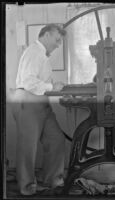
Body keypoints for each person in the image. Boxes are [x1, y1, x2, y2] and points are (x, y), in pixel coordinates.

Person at [12, 24, 66, 196]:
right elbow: (28, 81)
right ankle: (27, 188)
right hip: (28, 100)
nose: (58, 45)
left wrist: (53, 87)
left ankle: (51, 181)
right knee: (28, 148)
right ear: (47, 35)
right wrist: (52, 86)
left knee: (56, 138)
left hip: (41, 102)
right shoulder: (34, 52)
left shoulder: (42, 55)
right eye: (57, 40)